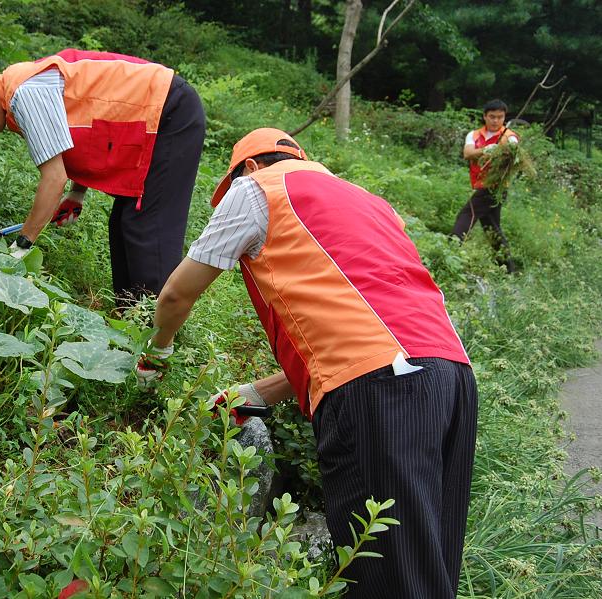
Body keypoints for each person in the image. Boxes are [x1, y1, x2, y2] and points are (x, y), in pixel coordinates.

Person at [137, 128, 478, 599]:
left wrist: (158, 350)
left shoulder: (257, 188)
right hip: (451, 376)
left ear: (249, 167)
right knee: (427, 572)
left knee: (385, 577)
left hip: (382, 392)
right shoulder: (368, 201)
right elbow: (372, 327)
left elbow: (177, 292)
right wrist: (257, 392)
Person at [0, 50, 206, 306]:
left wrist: (23, 243)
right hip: (155, 115)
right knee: (123, 225)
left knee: (146, 227)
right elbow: (84, 127)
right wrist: (77, 193)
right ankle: (131, 318)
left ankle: (155, 340)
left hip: (169, 111)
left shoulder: (25, 93)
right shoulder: (22, 87)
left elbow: (53, 177)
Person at [452, 98, 518, 273]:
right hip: (481, 185)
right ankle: (508, 268)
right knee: (491, 227)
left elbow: (511, 155)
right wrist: (487, 150)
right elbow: (468, 153)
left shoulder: (509, 137)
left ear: (504, 117)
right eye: (492, 117)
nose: (496, 121)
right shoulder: (474, 135)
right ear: (485, 116)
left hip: (495, 187)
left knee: (466, 215)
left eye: (500, 117)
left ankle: (450, 250)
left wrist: (494, 151)